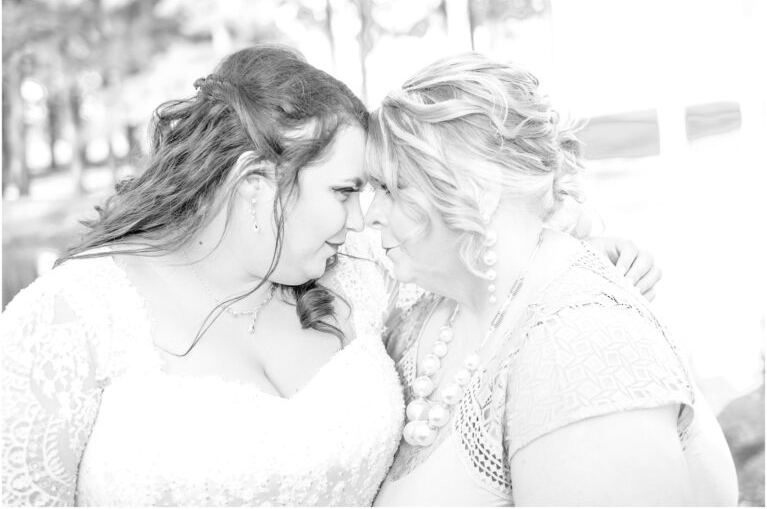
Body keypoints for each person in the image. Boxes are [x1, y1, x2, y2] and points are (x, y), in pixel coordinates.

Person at [2, 43, 661, 507]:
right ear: (257, 184)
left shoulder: (360, 276)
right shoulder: (68, 318)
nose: (361, 217)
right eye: (345, 190)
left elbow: (484, 262)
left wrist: (585, 251)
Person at [365, 52, 738, 507]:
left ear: (474, 184)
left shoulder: (585, 352)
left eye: (391, 188)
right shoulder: (428, 305)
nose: (371, 214)